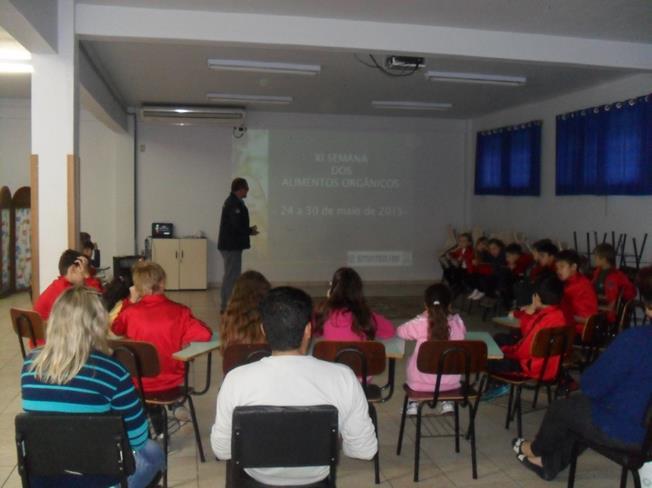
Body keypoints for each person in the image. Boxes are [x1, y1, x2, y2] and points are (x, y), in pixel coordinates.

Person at [211, 286, 377, 486]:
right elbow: (365, 450)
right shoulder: (343, 378)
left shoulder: (236, 380)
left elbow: (221, 450)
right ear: (308, 330)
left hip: (256, 482)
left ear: (263, 329)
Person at [512, 267, 652, 481]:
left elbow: (592, 385)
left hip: (632, 435)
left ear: (648, 308)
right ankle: (547, 464)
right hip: (642, 427)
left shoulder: (635, 340)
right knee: (583, 410)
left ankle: (535, 450)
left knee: (563, 408)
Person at [21, 286, 164, 488]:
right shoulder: (112, 371)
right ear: (98, 325)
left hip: (44, 480)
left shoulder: (29, 366)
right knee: (154, 453)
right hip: (101, 481)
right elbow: (138, 439)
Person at [112, 261, 213, 392]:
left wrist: (130, 302)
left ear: (137, 287)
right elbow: (205, 334)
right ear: (163, 283)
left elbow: (116, 329)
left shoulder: (129, 313)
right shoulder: (180, 312)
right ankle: (176, 405)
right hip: (171, 381)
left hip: (136, 382)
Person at [396, 283, 466, 415]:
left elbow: (400, 331)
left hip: (419, 384)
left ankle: (413, 403)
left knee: (412, 359)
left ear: (425, 305)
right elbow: (462, 333)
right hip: (451, 385)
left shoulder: (421, 323)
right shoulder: (458, 322)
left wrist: (422, 316)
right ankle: (447, 402)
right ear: (450, 304)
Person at [489, 275, 567, 380]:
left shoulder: (543, 320)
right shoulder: (558, 314)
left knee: (487, 357)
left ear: (537, 297)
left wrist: (506, 351)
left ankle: (498, 385)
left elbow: (524, 349)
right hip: (548, 366)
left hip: (530, 367)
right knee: (499, 340)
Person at [313, 267, 395, 341]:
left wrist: (329, 300)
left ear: (332, 290)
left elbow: (314, 332)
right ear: (358, 292)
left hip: (331, 357)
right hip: (359, 357)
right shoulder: (365, 316)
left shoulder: (322, 312)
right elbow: (390, 331)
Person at [217, 177, 259, 313]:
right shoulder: (233, 204)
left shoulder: (234, 202)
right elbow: (236, 226)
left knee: (231, 276)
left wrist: (248, 230)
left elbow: (237, 225)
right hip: (231, 246)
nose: (247, 191)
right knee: (231, 277)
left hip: (232, 245)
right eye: (246, 188)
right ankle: (226, 306)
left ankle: (228, 305)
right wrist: (249, 231)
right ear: (240, 189)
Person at [220, 270, 271, 349]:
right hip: (262, 358)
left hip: (233, 360)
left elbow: (224, 348)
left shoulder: (229, 316)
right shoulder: (269, 316)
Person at [34, 249, 90, 320]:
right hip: (49, 330)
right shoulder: (66, 291)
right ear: (73, 269)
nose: (85, 275)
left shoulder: (58, 284)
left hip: (45, 328)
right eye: (83, 269)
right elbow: (94, 306)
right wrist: (87, 276)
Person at [555, 250, 598, 335]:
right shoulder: (578, 280)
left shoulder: (577, 286)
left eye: (562, 267)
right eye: (556, 268)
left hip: (581, 329)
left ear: (574, 267)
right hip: (580, 324)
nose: (558, 271)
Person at [591, 243, 637, 322]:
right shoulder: (597, 272)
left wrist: (595, 306)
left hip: (608, 312)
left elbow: (612, 302)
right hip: (599, 304)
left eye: (596, 257)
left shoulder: (614, 277)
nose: (594, 259)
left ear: (604, 259)